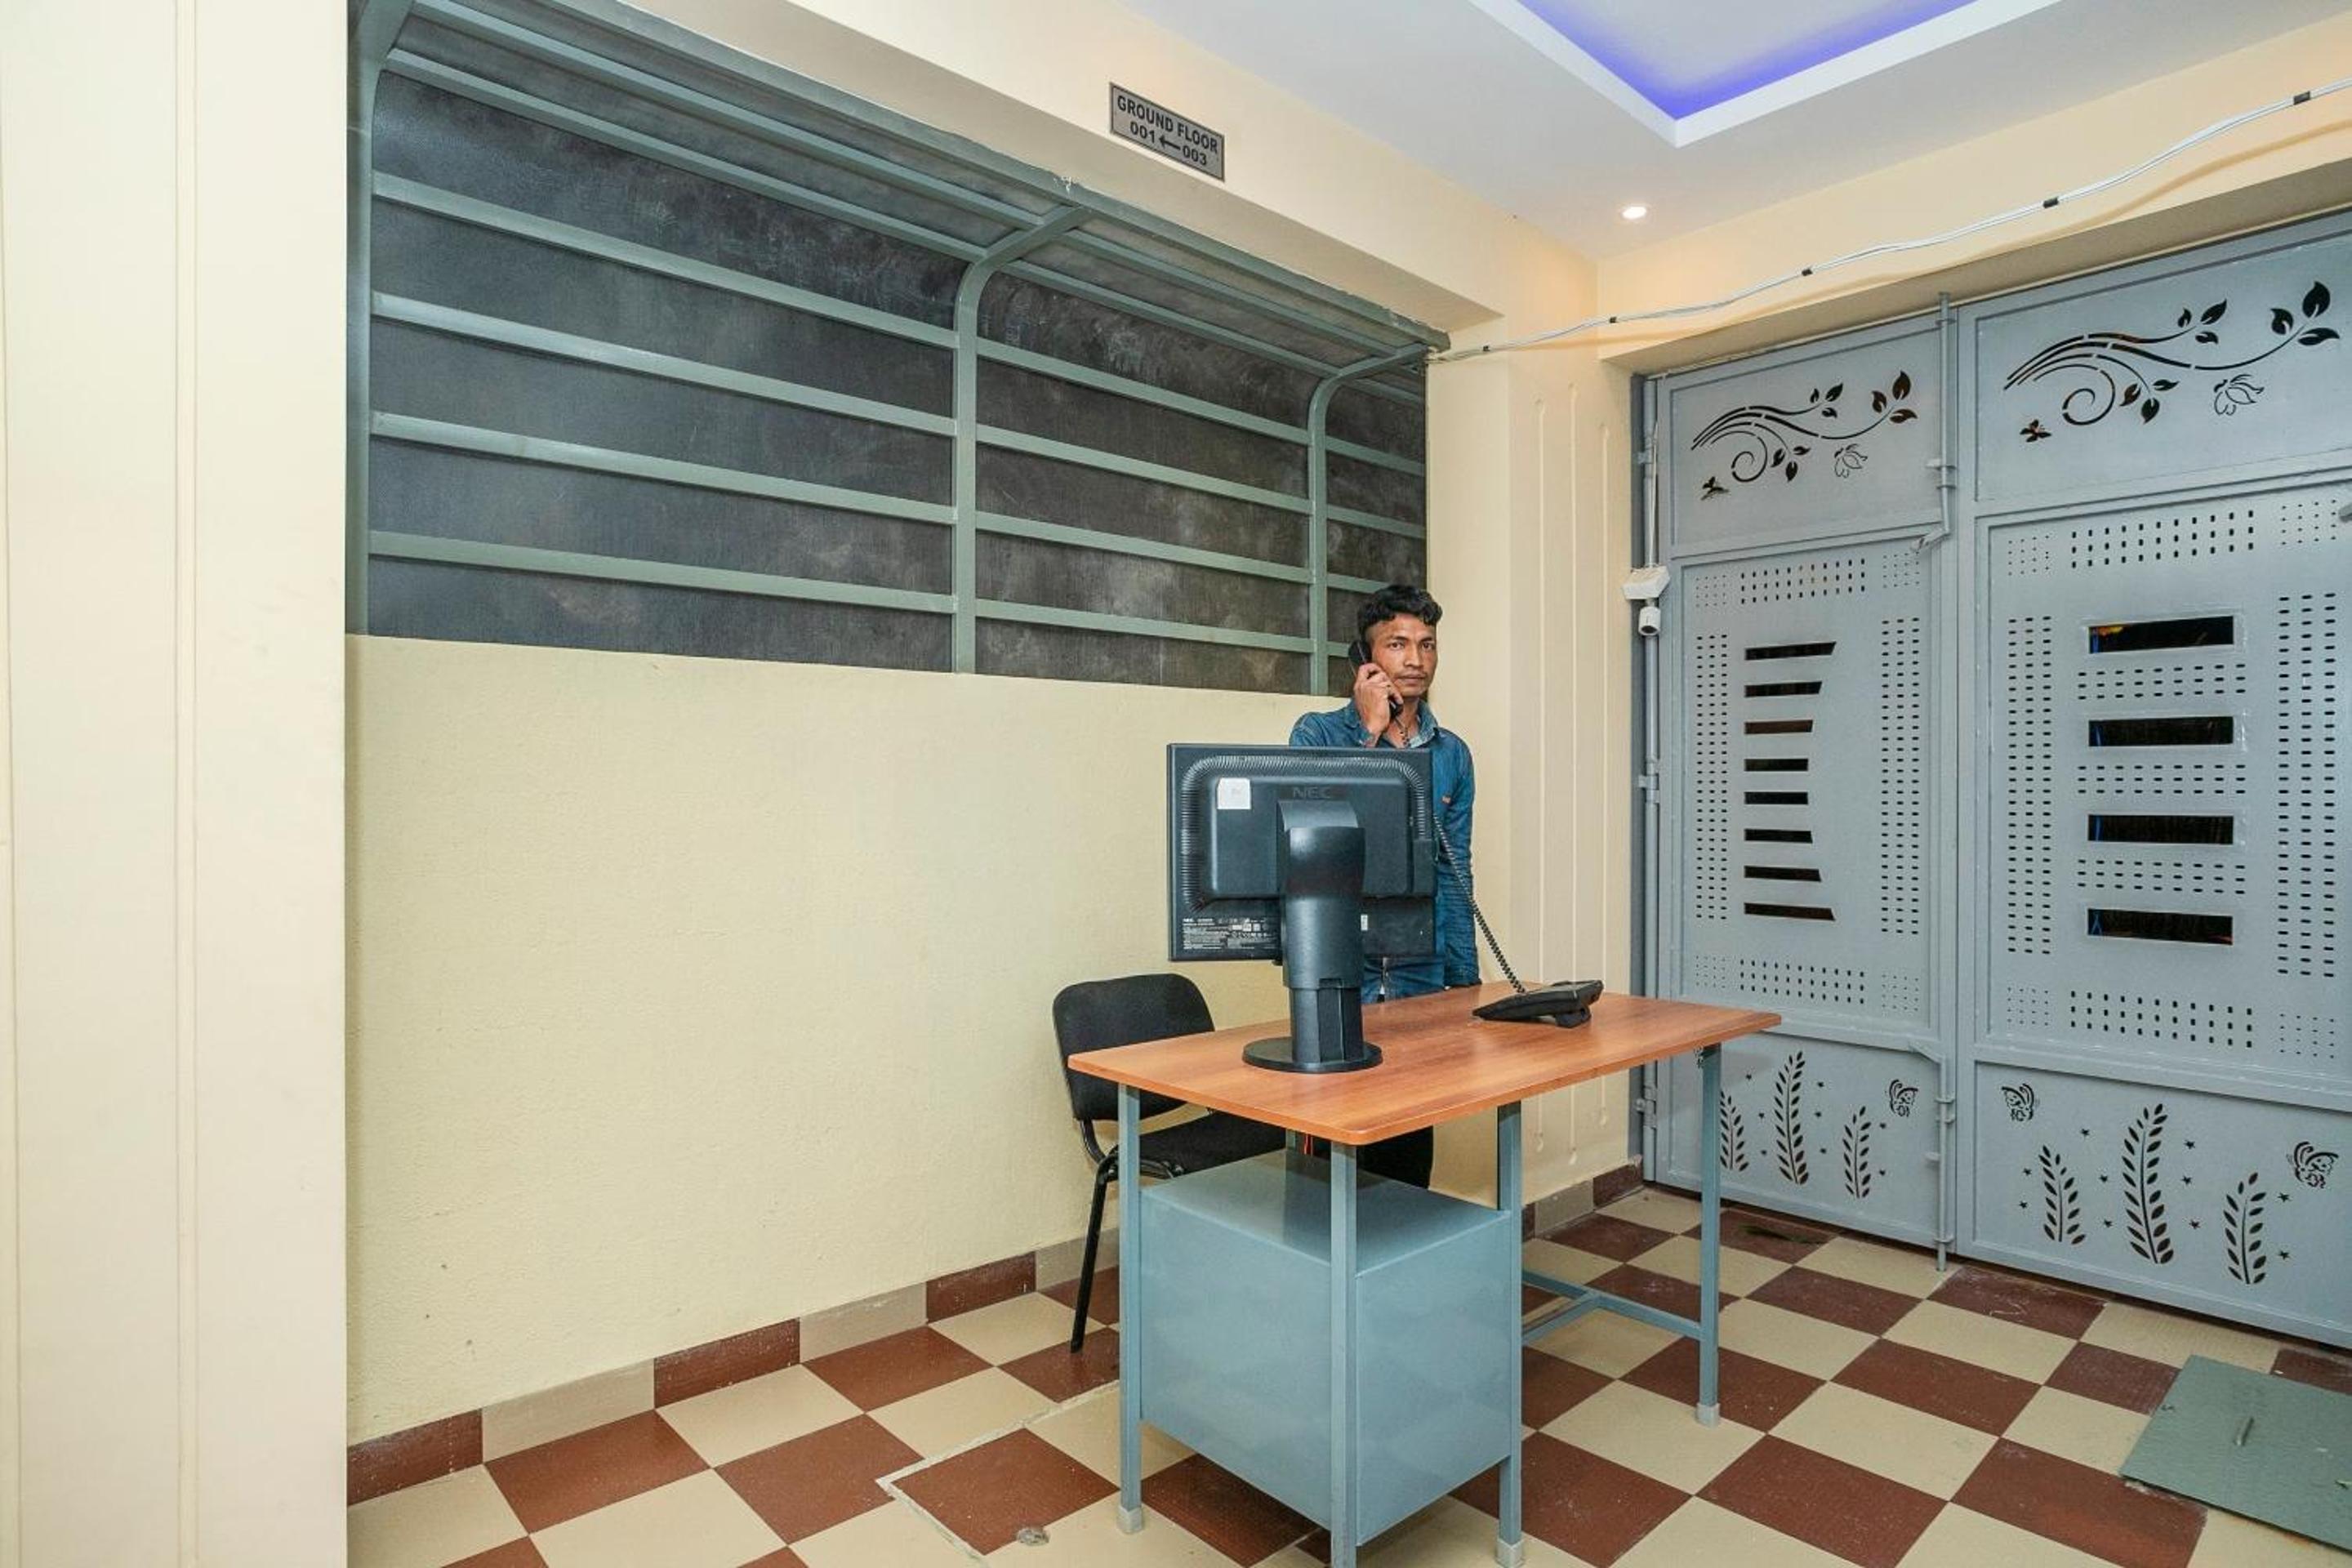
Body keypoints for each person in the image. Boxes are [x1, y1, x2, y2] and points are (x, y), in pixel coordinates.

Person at [1288, 583, 1478, 1188]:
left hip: (1422, 966)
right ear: (1364, 658)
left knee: (1409, 1139)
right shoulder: (1316, 735)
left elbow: (1455, 870)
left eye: (1427, 644)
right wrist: (1369, 734)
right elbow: (1314, 840)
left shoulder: (1452, 755)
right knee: (1336, 1137)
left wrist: (1465, 981)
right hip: (1341, 967)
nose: (1416, 659)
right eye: (1397, 645)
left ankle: (1404, 1242)